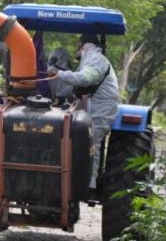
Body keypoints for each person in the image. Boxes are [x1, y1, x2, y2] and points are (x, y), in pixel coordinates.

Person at [48, 34, 120, 191]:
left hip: (101, 108)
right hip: (93, 105)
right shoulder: (90, 59)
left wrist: (59, 74)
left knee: (92, 141)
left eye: (79, 45)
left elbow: (85, 79)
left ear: (85, 46)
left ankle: (89, 185)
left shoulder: (96, 59)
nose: (77, 49)